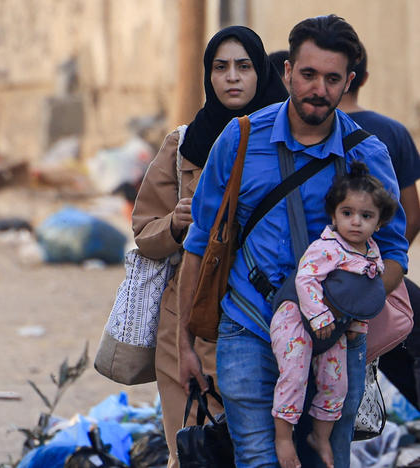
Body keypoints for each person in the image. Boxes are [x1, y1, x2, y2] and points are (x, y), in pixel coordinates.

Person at [177, 14, 408, 467]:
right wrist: (185, 346)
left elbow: (397, 255)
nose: (318, 88)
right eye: (307, 74)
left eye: (331, 78)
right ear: (286, 73)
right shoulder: (240, 139)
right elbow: (200, 245)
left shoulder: (367, 154)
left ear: (349, 82)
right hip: (248, 325)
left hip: (335, 341)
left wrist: (347, 305)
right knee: (259, 458)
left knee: (325, 458)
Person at [131, 26, 288, 468]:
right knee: (194, 453)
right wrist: (175, 226)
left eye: (244, 66)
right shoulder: (183, 146)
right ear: (208, 76)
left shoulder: (286, 145)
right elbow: (144, 231)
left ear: (263, 73)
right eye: (220, 68)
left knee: (256, 453)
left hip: (264, 320)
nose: (232, 78)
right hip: (186, 321)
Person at [271, 162, 397, 468]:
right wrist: (317, 315)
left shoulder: (371, 254)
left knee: (336, 385)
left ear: (378, 223)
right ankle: (283, 438)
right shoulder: (327, 247)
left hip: (336, 328)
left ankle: (320, 436)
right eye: (347, 213)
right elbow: (306, 279)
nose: (355, 222)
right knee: (295, 375)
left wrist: (357, 326)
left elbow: (362, 296)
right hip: (297, 319)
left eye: (366, 216)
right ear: (334, 215)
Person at [337, 43, 420, 406]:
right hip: (383, 283)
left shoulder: (312, 133)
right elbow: (413, 211)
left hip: (325, 285)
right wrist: (386, 265)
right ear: (362, 79)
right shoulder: (393, 131)